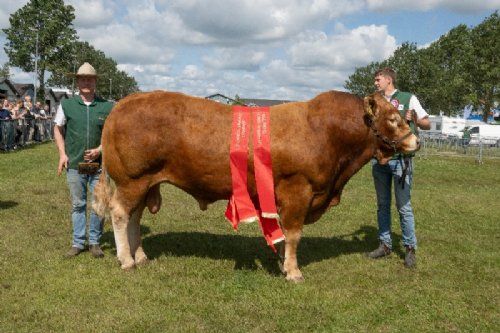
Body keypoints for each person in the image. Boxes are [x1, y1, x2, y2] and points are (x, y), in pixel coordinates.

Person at [367, 67, 430, 268]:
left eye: (378, 79)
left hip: (401, 160)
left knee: (404, 207)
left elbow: (427, 123)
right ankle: (385, 245)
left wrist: (415, 120)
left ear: (388, 80)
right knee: (382, 205)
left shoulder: (408, 98)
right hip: (380, 160)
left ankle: (410, 248)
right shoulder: (375, 100)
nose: (376, 83)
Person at [53, 62, 113, 258]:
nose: (86, 82)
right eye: (83, 78)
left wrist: (100, 149)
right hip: (75, 165)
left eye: (90, 78)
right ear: (77, 82)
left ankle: (94, 242)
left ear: (95, 82)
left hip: (100, 166)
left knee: (99, 203)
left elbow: (112, 134)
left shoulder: (107, 106)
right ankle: (78, 242)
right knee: (78, 204)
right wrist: (62, 154)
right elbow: (57, 128)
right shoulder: (67, 105)